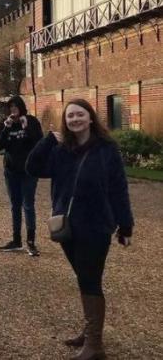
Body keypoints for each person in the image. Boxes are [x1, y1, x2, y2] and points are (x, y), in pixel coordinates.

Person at [26, 98, 134, 360]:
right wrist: (48, 140)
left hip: (96, 225)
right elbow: (32, 167)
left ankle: (95, 345)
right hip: (68, 225)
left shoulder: (107, 149)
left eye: (80, 115)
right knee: (84, 276)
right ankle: (90, 333)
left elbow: (119, 188)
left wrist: (125, 225)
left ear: (90, 118)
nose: (75, 120)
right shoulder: (62, 149)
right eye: (70, 116)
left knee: (89, 278)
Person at [0, 95, 43, 256]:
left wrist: (26, 127)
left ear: (21, 108)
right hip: (11, 170)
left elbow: (39, 142)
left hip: (28, 170)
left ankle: (31, 242)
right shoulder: (5, 124)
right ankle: (16, 240)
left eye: (16, 107)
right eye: (11, 108)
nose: (13, 110)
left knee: (28, 204)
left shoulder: (31, 121)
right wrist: (6, 128)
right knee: (15, 205)